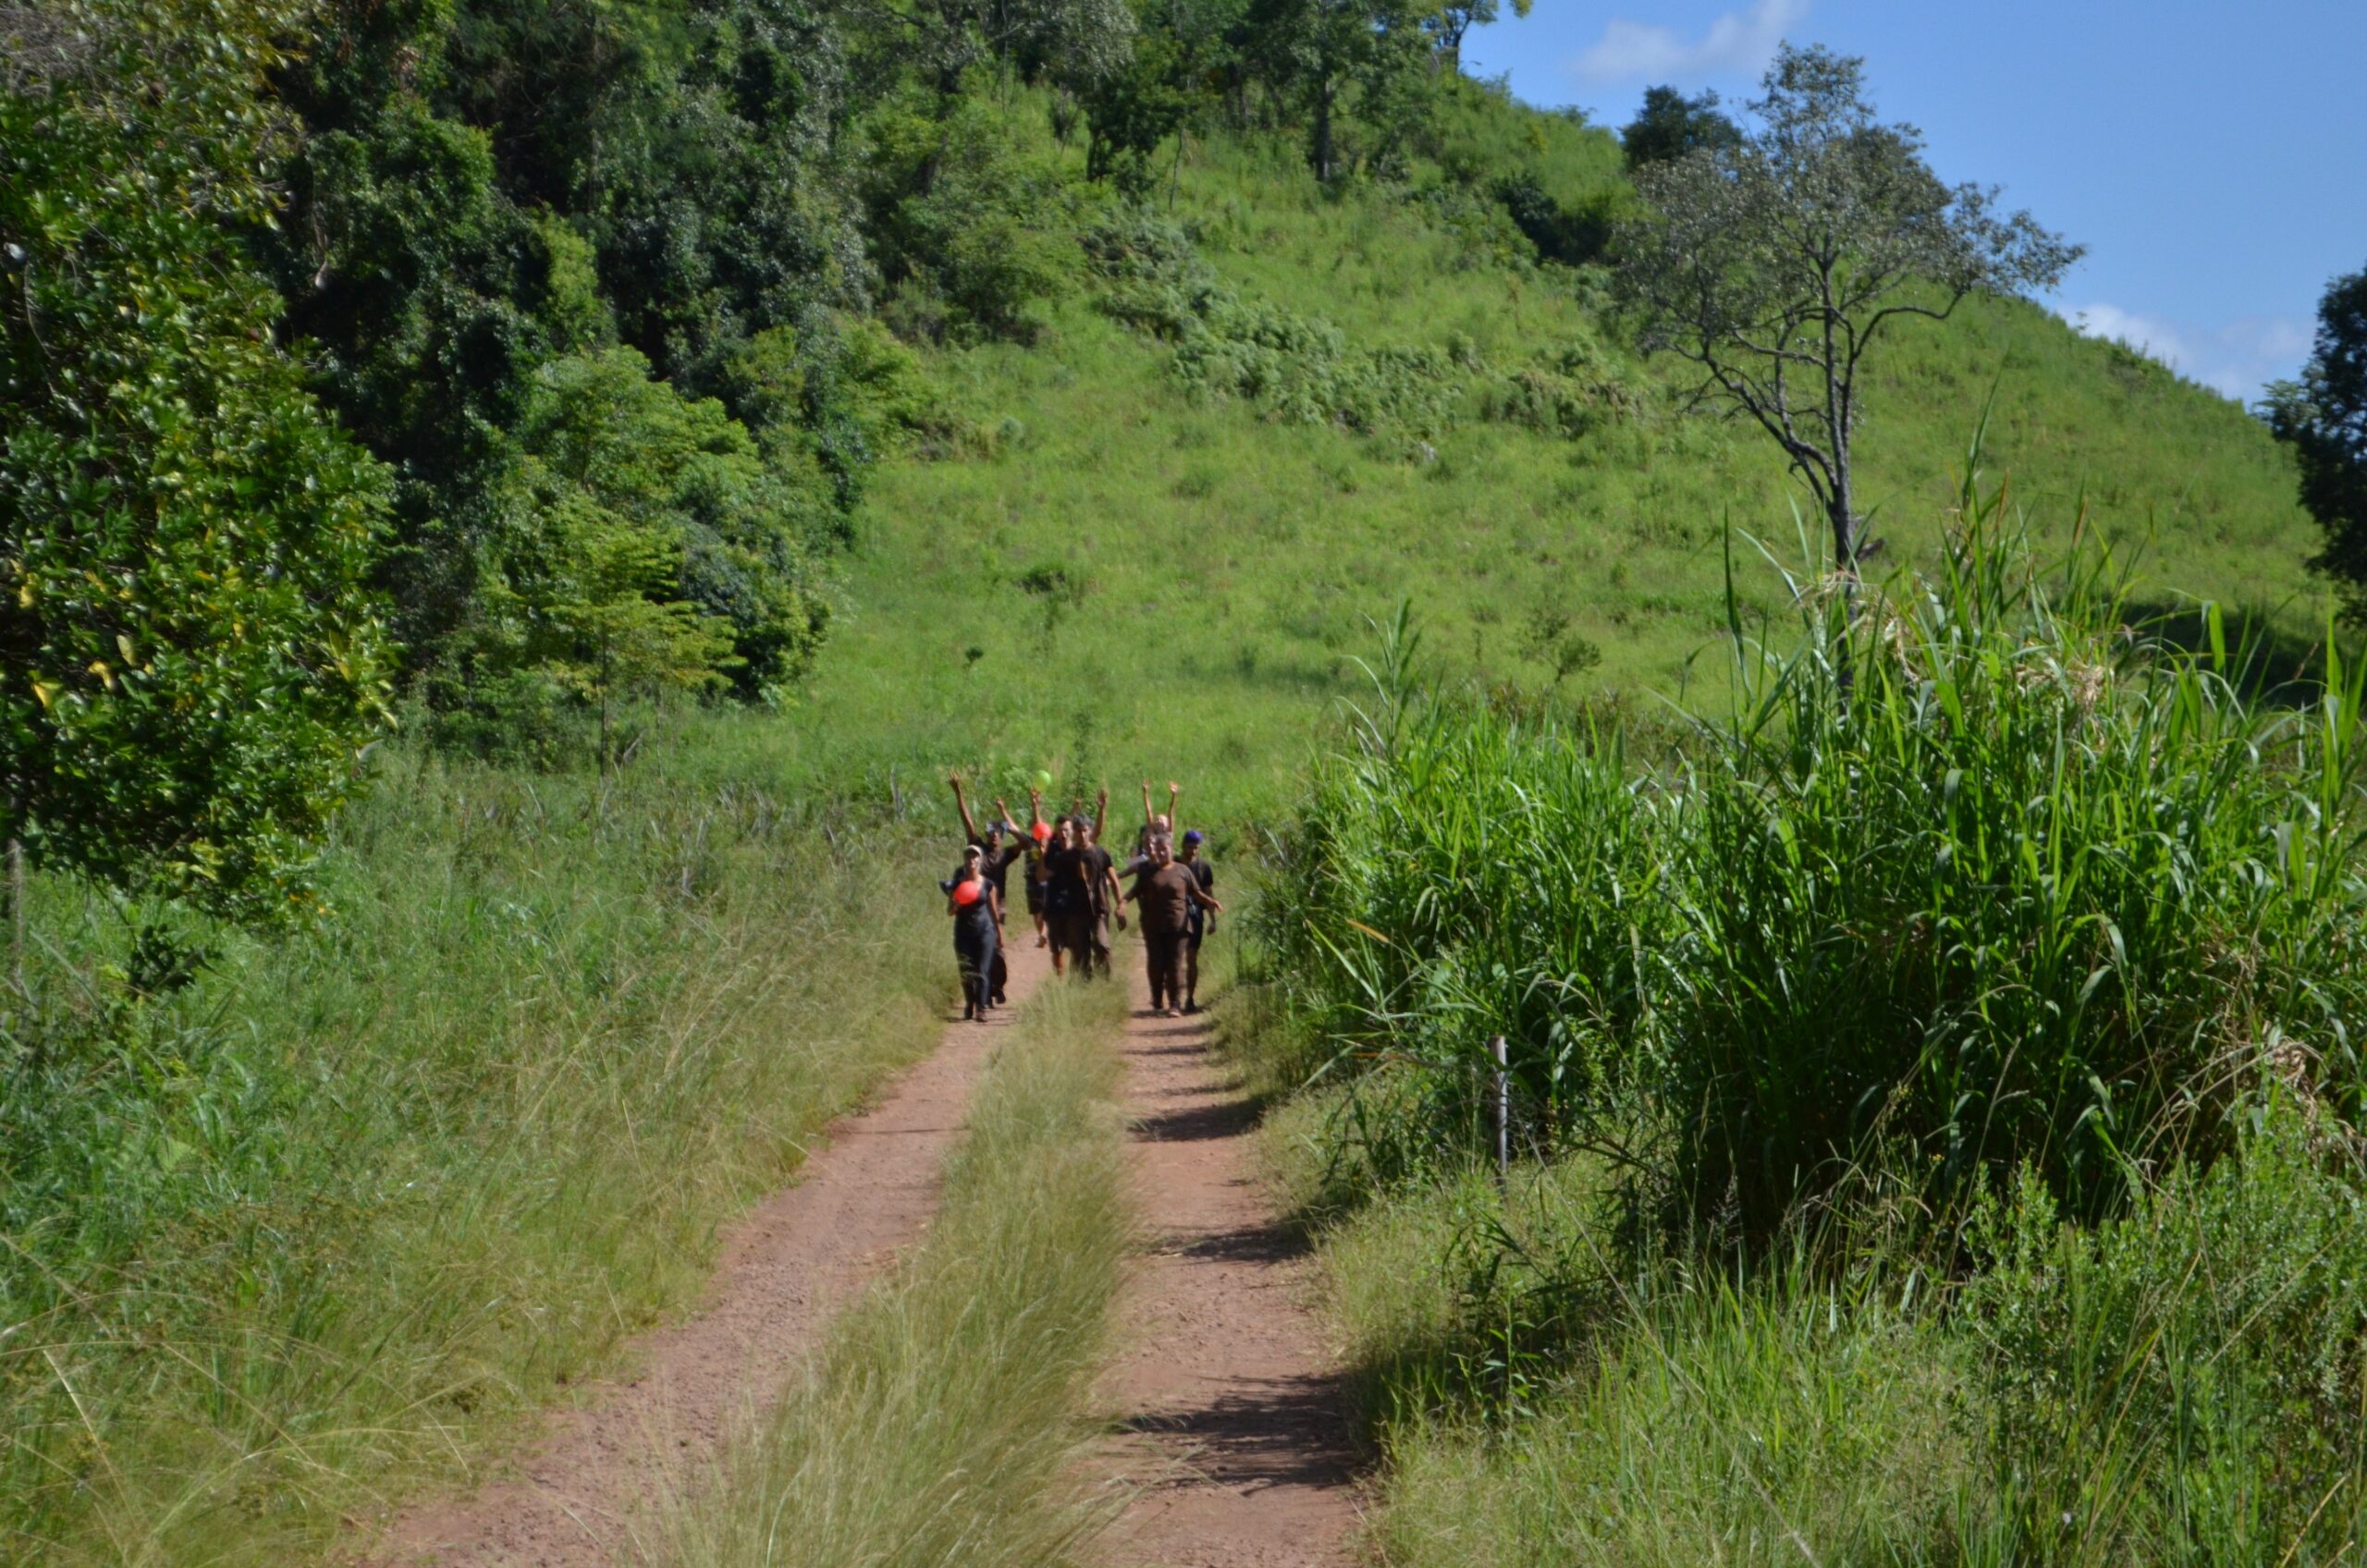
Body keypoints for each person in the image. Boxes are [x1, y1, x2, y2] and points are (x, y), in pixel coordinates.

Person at [1119, 833, 1221, 1017]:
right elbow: (1133, 892)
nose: (1161, 853)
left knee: (1175, 963)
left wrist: (1211, 902)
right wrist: (1122, 904)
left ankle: (1175, 1003)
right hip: (1153, 926)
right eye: (1158, 850)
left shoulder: (1183, 871)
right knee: (1156, 963)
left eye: (1164, 849)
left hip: (1178, 926)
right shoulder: (1147, 872)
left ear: (1171, 849)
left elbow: (1197, 893)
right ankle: (1157, 998)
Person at [949, 773, 1025, 1004]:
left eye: (997, 832)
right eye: (991, 832)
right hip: (974, 907)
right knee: (978, 951)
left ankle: (996, 986)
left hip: (997, 909)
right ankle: (983, 991)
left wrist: (1006, 819)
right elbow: (967, 821)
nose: (994, 835)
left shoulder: (1004, 855)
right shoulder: (978, 851)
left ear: (1001, 837)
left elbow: (1025, 842)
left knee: (996, 951)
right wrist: (958, 793)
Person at [942, 844, 1003, 1021]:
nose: (972, 859)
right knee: (967, 971)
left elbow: (993, 909)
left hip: (985, 931)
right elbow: (949, 912)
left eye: (975, 856)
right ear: (964, 860)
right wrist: (956, 904)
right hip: (963, 933)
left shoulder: (988, 884)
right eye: (968, 856)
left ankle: (981, 1008)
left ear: (981, 860)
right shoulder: (957, 884)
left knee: (983, 970)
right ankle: (970, 1003)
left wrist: (999, 933)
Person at [1038, 815, 1098, 977]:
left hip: (1076, 908)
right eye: (1060, 831)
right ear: (1056, 832)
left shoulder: (1081, 851)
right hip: (1055, 906)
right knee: (1057, 949)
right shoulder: (1052, 851)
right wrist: (1042, 855)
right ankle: (1060, 983)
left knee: (1077, 946)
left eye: (1066, 830)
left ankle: (1078, 977)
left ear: (1072, 831)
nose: (1063, 834)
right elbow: (1042, 876)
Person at [1176, 827, 1216, 1012]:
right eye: (1190, 847)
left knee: (1191, 958)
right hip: (1174, 918)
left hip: (1195, 917)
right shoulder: (1173, 863)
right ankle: (1174, 999)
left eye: (1196, 847)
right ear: (1183, 846)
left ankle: (1190, 999)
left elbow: (1208, 893)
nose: (1192, 851)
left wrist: (1212, 919)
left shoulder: (1203, 868)